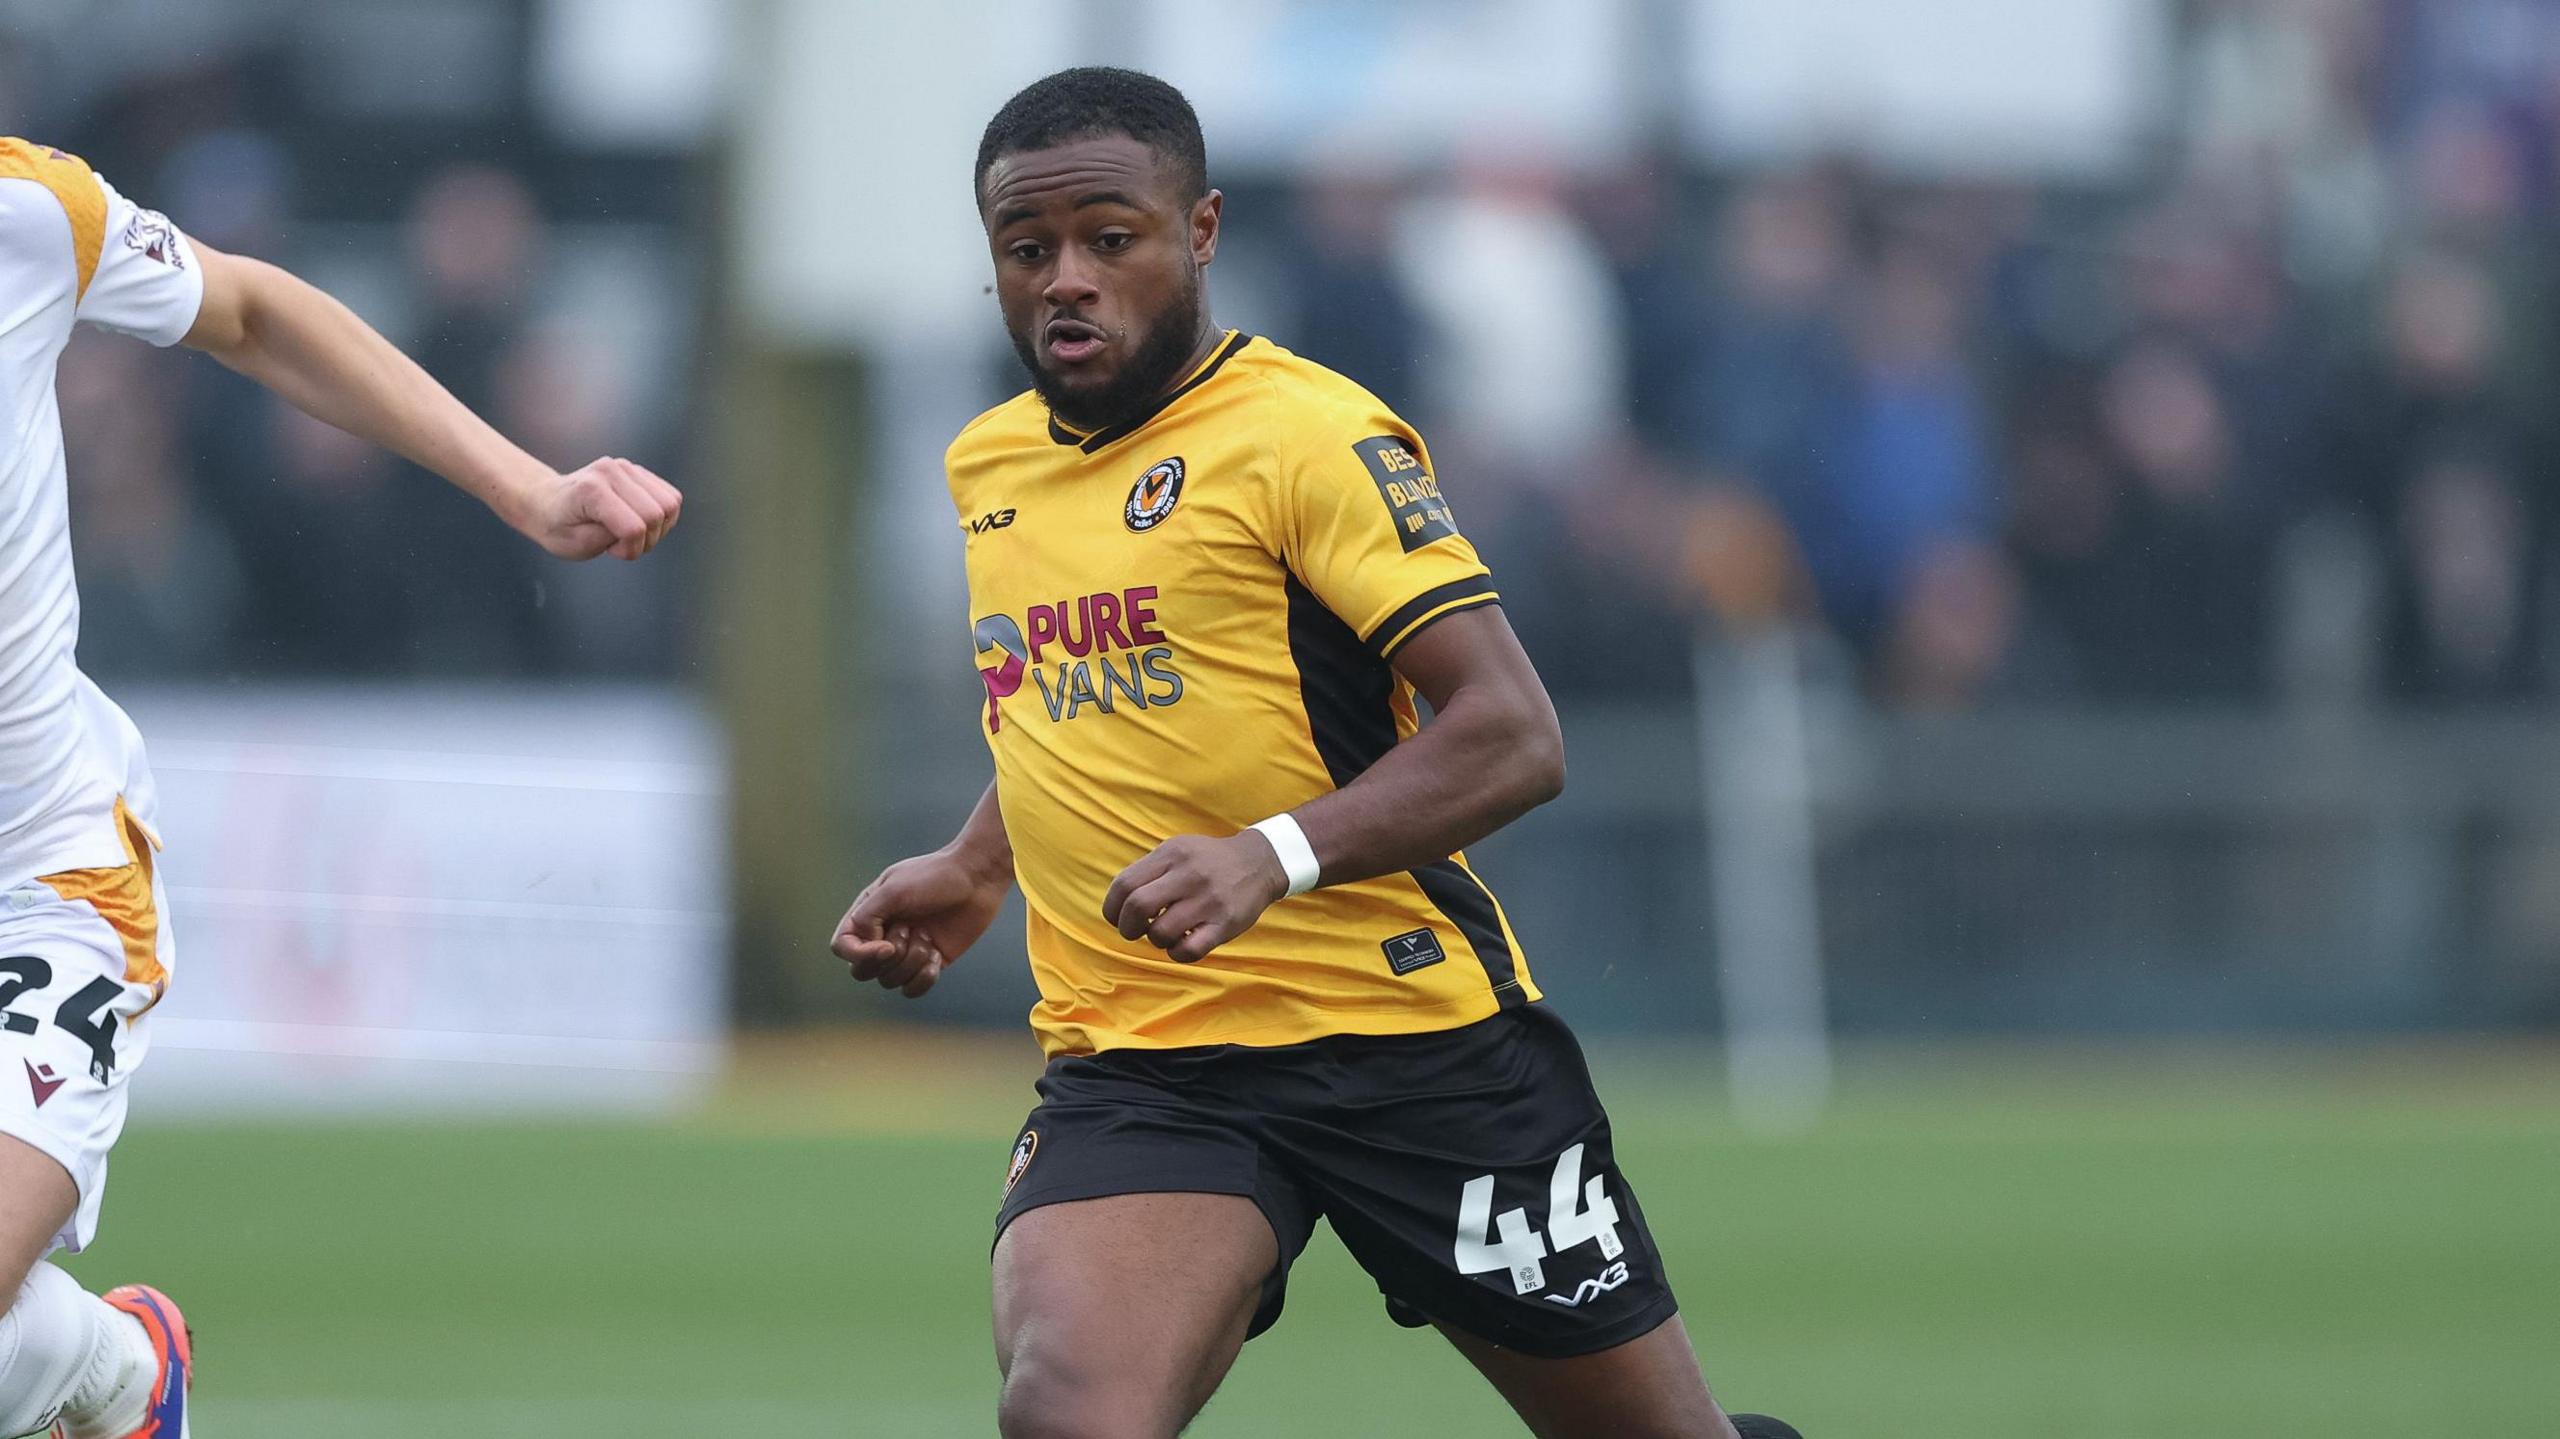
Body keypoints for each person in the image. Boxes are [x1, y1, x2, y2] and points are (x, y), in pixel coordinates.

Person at [830, 69, 1799, 1439]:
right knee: (1070, 1412)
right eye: (1025, 249)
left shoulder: (1310, 437)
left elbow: (1514, 736)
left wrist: (1271, 860)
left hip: (1412, 1045)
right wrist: (978, 862)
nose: (1066, 281)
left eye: (1113, 239)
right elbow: (1075, 694)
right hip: (1149, 1053)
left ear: (1204, 231)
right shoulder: (990, 464)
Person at [0, 137, 681, 1439]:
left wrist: (532, 490)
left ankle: (118, 1373)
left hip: (41, 884)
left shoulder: (26, 214)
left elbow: (252, 312)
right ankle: (100, 1374)